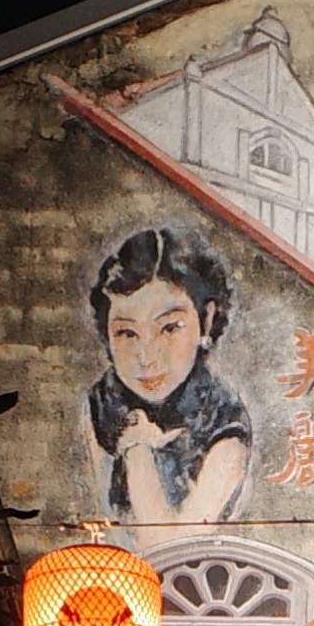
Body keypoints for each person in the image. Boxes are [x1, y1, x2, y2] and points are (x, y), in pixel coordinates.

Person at [81, 227, 256, 530]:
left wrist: (137, 449)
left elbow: (168, 546)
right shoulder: (104, 400)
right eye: (127, 333)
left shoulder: (223, 422)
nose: (146, 357)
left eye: (170, 328)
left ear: (206, 319)